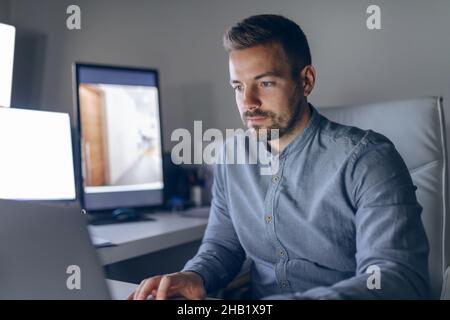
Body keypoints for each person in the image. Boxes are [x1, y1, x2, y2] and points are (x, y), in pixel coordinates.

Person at [129, 14, 430, 300]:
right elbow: (223, 246)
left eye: (265, 83)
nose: (248, 103)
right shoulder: (231, 156)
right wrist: (195, 276)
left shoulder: (368, 159)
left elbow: (398, 279)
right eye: (238, 86)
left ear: (306, 80)